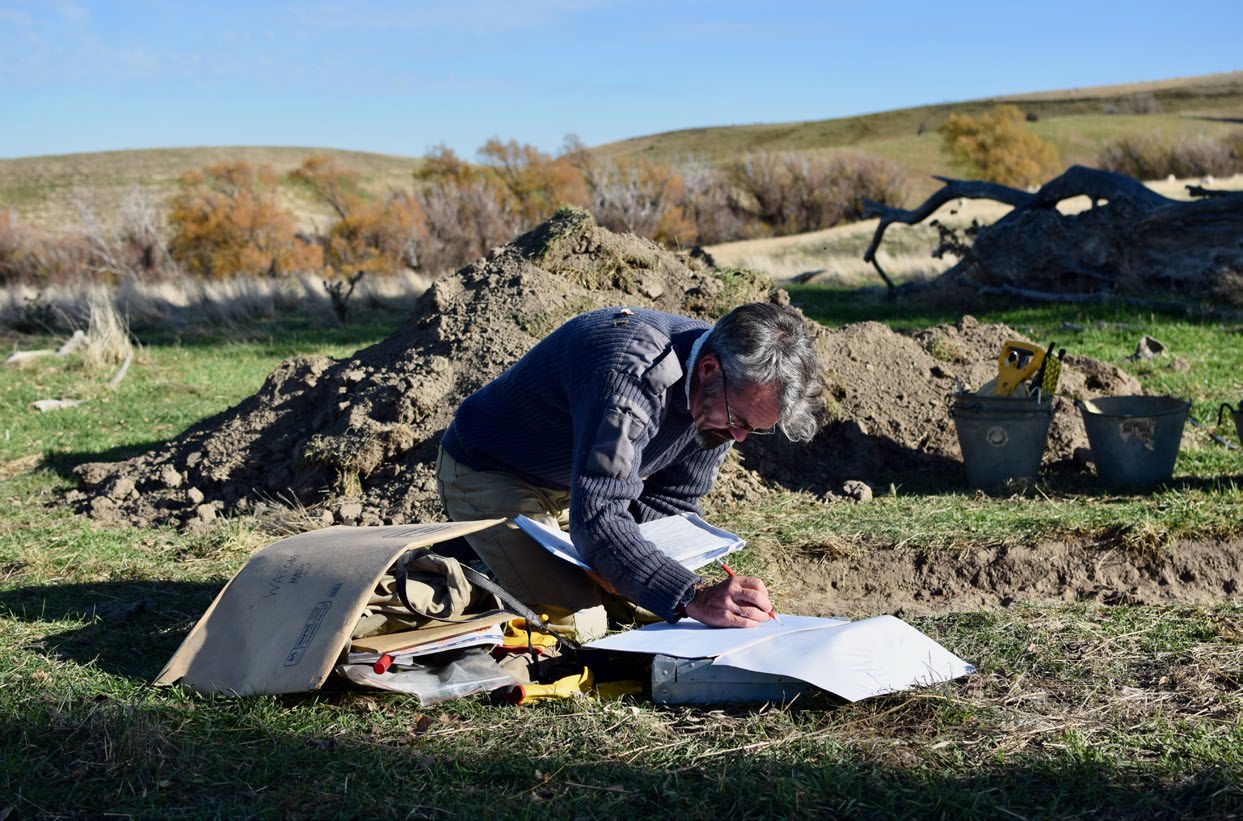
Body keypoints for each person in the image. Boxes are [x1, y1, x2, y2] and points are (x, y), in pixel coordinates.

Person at [436, 302, 822, 641]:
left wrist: (664, 583)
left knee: (647, 606)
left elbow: (673, 500)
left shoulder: (723, 393)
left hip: (574, 483)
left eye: (755, 428)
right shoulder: (633, 376)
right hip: (490, 470)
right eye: (739, 419)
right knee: (580, 625)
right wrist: (693, 596)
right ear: (707, 369)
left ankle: (513, 557)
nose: (738, 436)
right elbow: (599, 517)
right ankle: (466, 569)